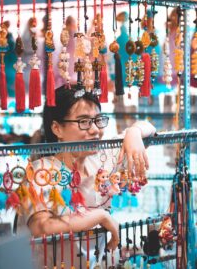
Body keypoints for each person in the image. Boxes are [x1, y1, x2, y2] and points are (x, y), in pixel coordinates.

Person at [18, 85, 156, 268]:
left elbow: (149, 127)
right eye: (84, 122)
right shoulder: (41, 171)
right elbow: (42, 226)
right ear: (57, 128)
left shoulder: (103, 158)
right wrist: (100, 216)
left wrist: (134, 133)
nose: (95, 130)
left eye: (98, 120)